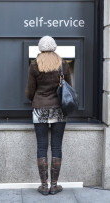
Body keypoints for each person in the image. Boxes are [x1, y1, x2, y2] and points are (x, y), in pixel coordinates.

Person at [25, 36, 72, 195]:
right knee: (57, 146)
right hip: (59, 109)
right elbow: (69, 88)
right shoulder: (63, 64)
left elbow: (29, 91)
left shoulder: (34, 65)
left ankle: (44, 186)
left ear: (40, 48)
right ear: (54, 47)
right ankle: (54, 185)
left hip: (40, 109)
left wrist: (36, 99)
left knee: (42, 147)